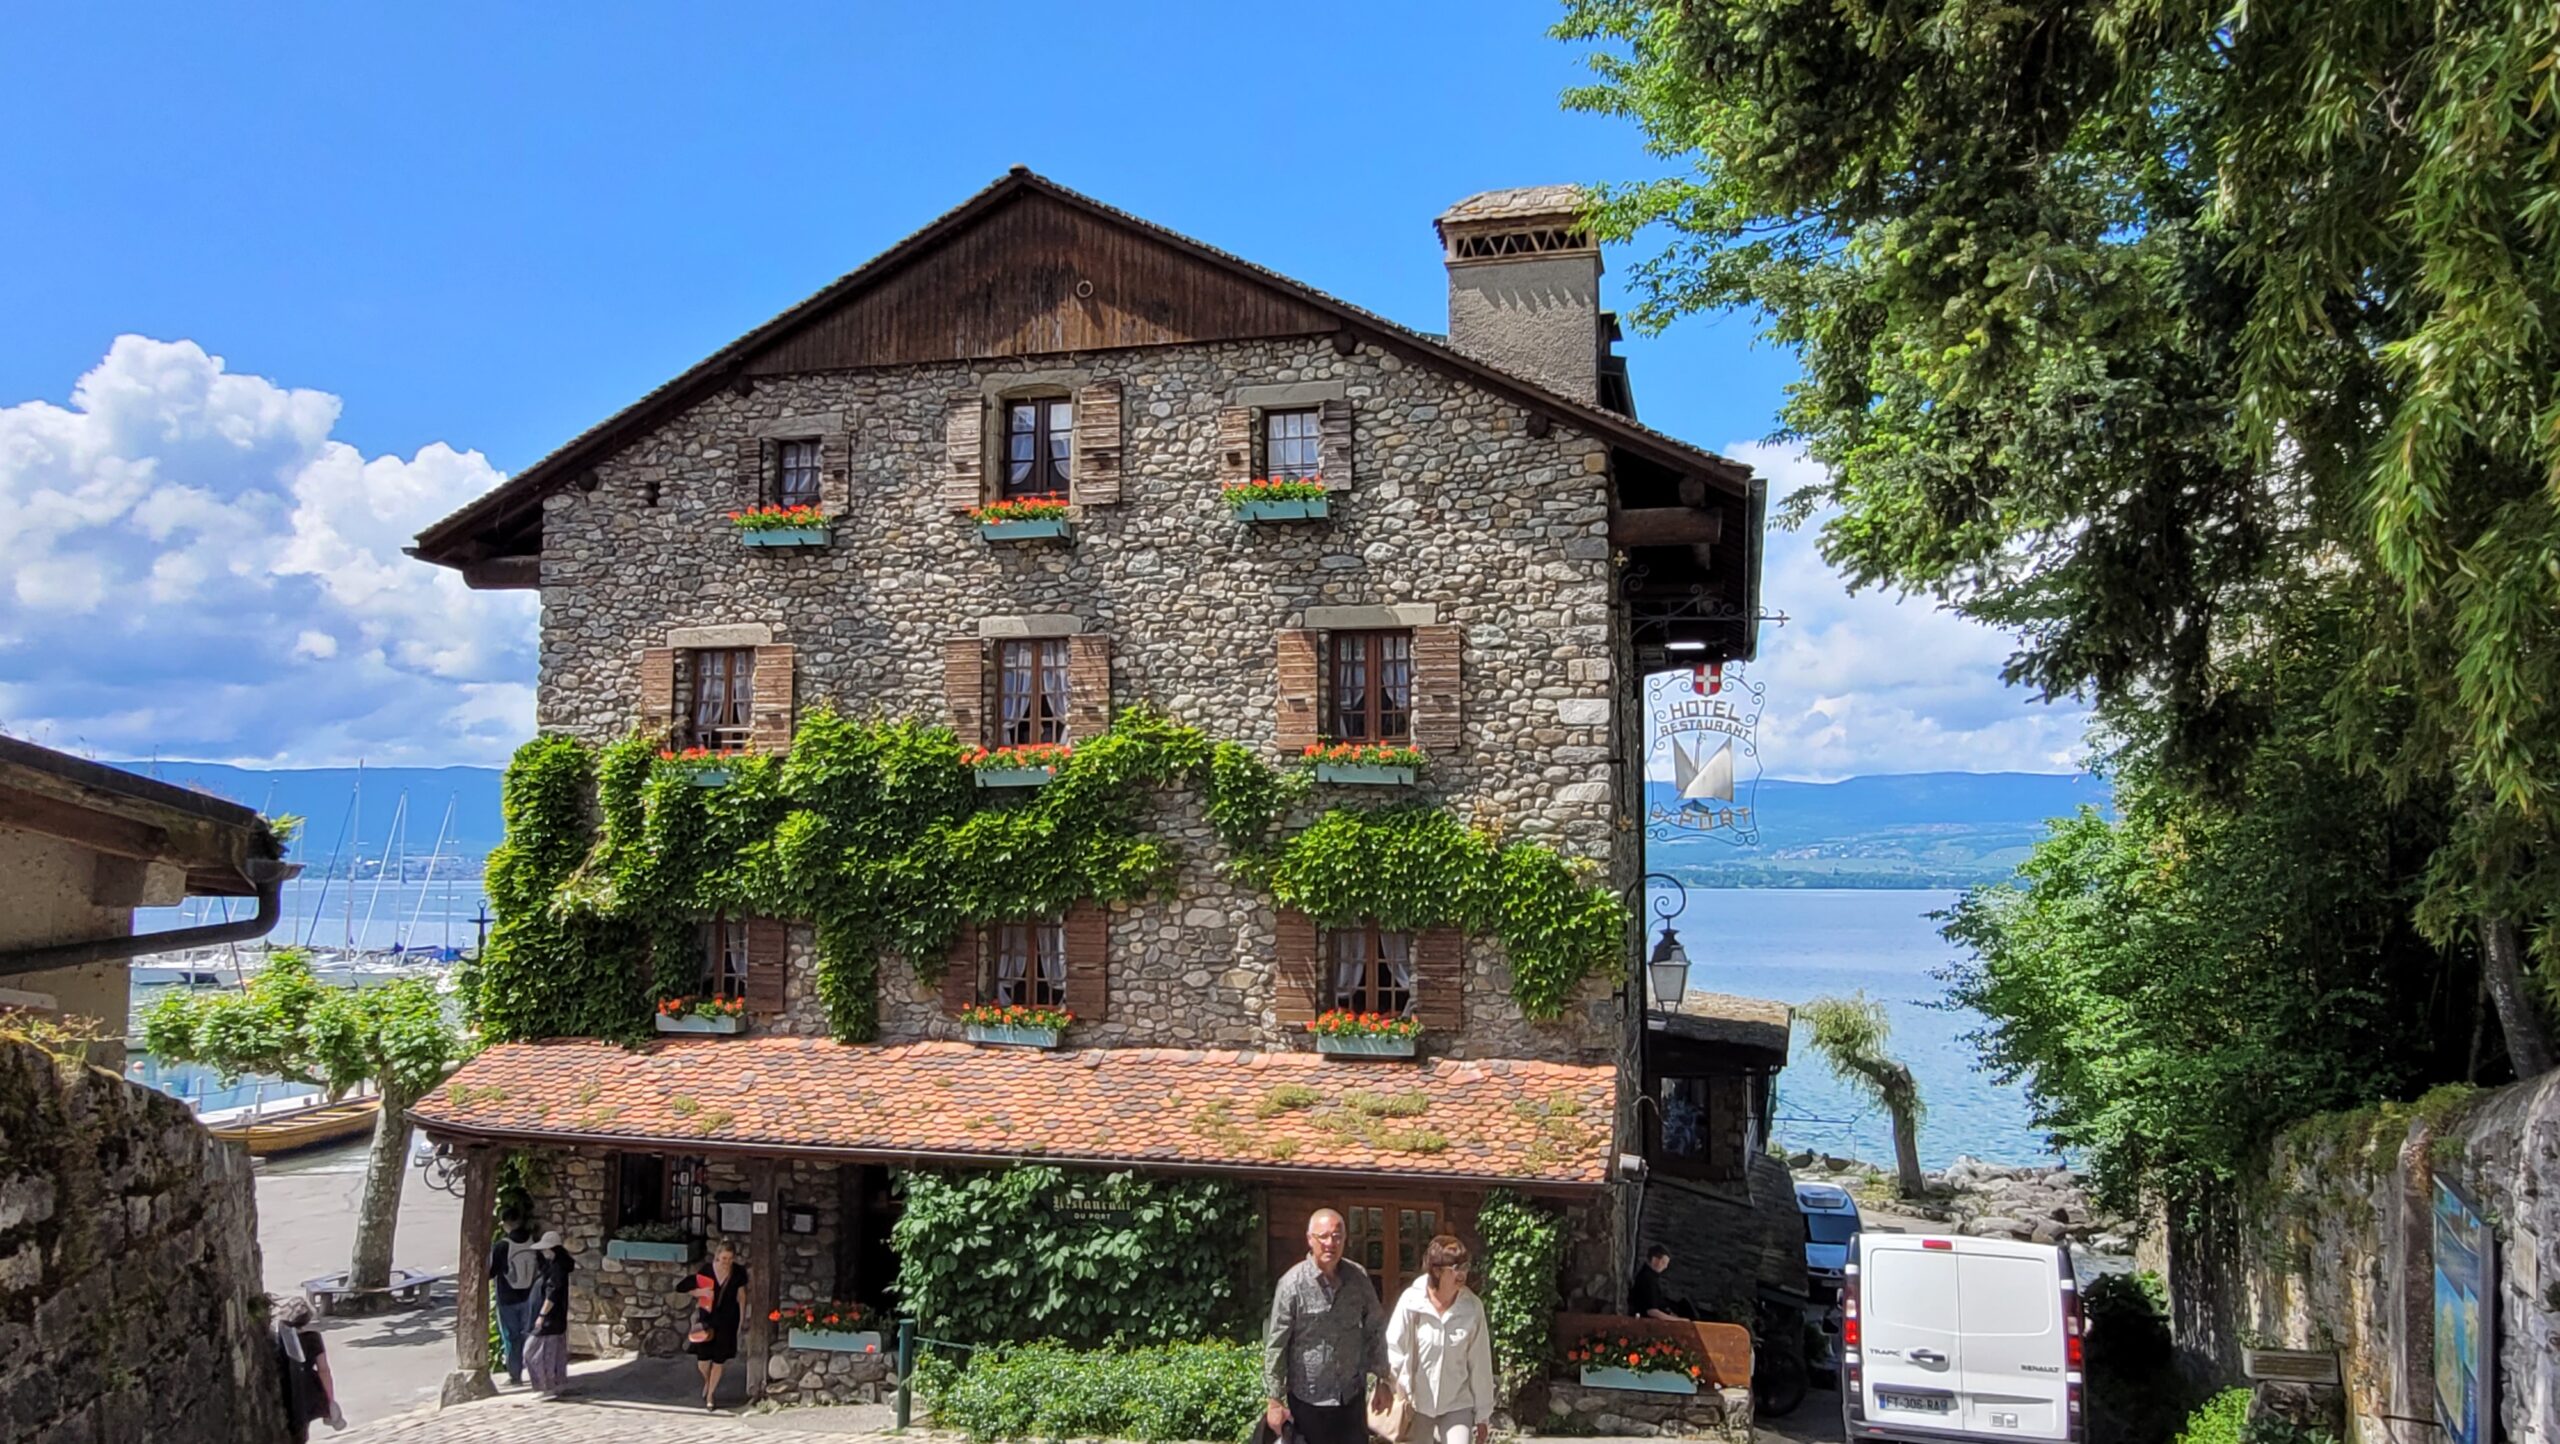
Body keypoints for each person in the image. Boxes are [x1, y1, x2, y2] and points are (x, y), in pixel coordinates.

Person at [1263, 1209, 1392, 1444]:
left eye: (1336, 1236)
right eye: (1322, 1236)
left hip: (1350, 1397)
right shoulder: (1292, 1285)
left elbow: (1375, 1328)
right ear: (1310, 1239)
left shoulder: (1358, 1278)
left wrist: (1382, 1379)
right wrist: (1274, 1399)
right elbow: (1276, 1345)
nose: (1330, 1243)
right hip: (1307, 1402)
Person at [1387, 1235, 1497, 1444]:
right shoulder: (1411, 1302)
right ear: (1437, 1270)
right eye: (1456, 1267)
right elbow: (1394, 1348)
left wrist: (1483, 1415)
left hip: (1457, 1403)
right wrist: (1392, 1387)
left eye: (1465, 1266)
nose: (1462, 1273)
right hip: (1417, 1404)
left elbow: (1480, 1362)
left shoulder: (1472, 1307)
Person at [270, 1294, 343, 1440]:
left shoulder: (277, 1338)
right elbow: (324, 1370)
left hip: (283, 1385)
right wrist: (330, 1399)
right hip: (307, 1387)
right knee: (302, 1426)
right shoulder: (313, 1338)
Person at [688, 1240, 749, 1411]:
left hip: (728, 1320)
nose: (726, 1262)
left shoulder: (738, 1272)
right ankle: (707, 1381)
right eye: (723, 1258)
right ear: (717, 1256)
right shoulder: (706, 1271)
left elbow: (742, 1297)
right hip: (707, 1319)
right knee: (703, 1361)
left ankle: (710, 1395)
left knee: (719, 1360)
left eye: (729, 1259)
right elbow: (692, 1289)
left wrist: (741, 1320)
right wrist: (701, 1292)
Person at [490, 1211, 540, 1386]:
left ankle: (515, 1376)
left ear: (505, 1224)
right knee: (529, 1335)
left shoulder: (502, 1246)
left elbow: (491, 1272)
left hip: (507, 1298)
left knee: (511, 1338)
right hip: (529, 1296)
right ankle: (535, 1373)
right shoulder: (532, 1242)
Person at [523, 1229, 575, 1397]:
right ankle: (555, 1384)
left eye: (545, 1249)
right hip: (555, 1320)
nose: (543, 1252)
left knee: (534, 1352)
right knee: (553, 1353)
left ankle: (545, 1386)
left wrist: (542, 1315)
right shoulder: (556, 1267)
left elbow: (552, 1295)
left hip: (550, 1321)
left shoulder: (557, 1271)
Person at [1629, 1245, 1695, 1321]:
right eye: (1663, 1262)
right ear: (1654, 1260)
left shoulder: (1650, 1277)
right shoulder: (1647, 1279)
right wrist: (1679, 1320)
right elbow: (1652, 1311)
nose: (1666, 1266)